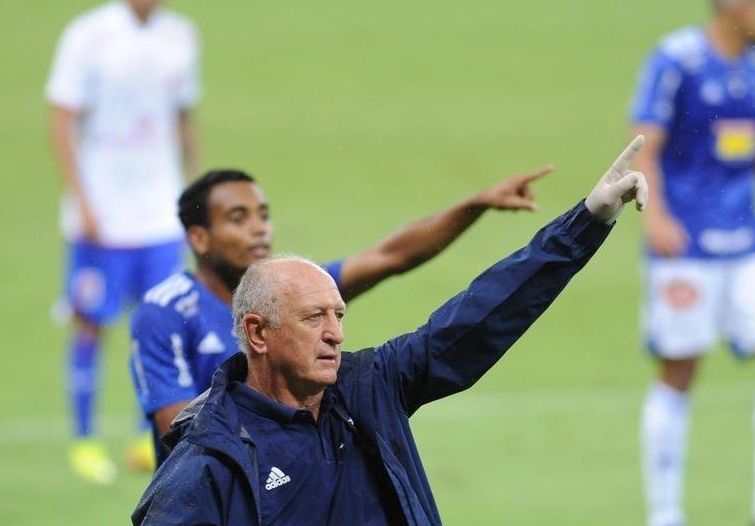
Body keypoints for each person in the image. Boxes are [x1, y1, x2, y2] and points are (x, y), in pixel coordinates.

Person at [126, 139, 647, 526]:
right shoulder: (208, 460)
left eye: (339, 315)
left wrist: (586, 222)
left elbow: (474, 321)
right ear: (257, 334)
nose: (336, 332)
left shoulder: (366, 394)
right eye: (314, 317)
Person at [130, 165, 555, 449]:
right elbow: (177, 432)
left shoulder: (293, 293)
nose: (259, 228)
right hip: (212, 502)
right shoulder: (164, 312)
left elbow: (392, 256)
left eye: (263, 214)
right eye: (238, 218)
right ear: (200, 239)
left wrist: (474, 205)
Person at [630, 0, 755, 526]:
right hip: (687, 244)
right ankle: (663, 522)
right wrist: (655, 215)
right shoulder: (676, 59)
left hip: (750, 243)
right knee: (680, 368)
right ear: (734, 5)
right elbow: (646, 142)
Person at [46, 0, 200, 484]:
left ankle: (144, 437)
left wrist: (196, 193)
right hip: (104, 214)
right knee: (91, 321)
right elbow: (62, 118)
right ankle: (84, 440)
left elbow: (182, 117)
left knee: (159, 319)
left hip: (159, 211)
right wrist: (82, 198)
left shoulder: (182, 37)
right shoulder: (88, 35)